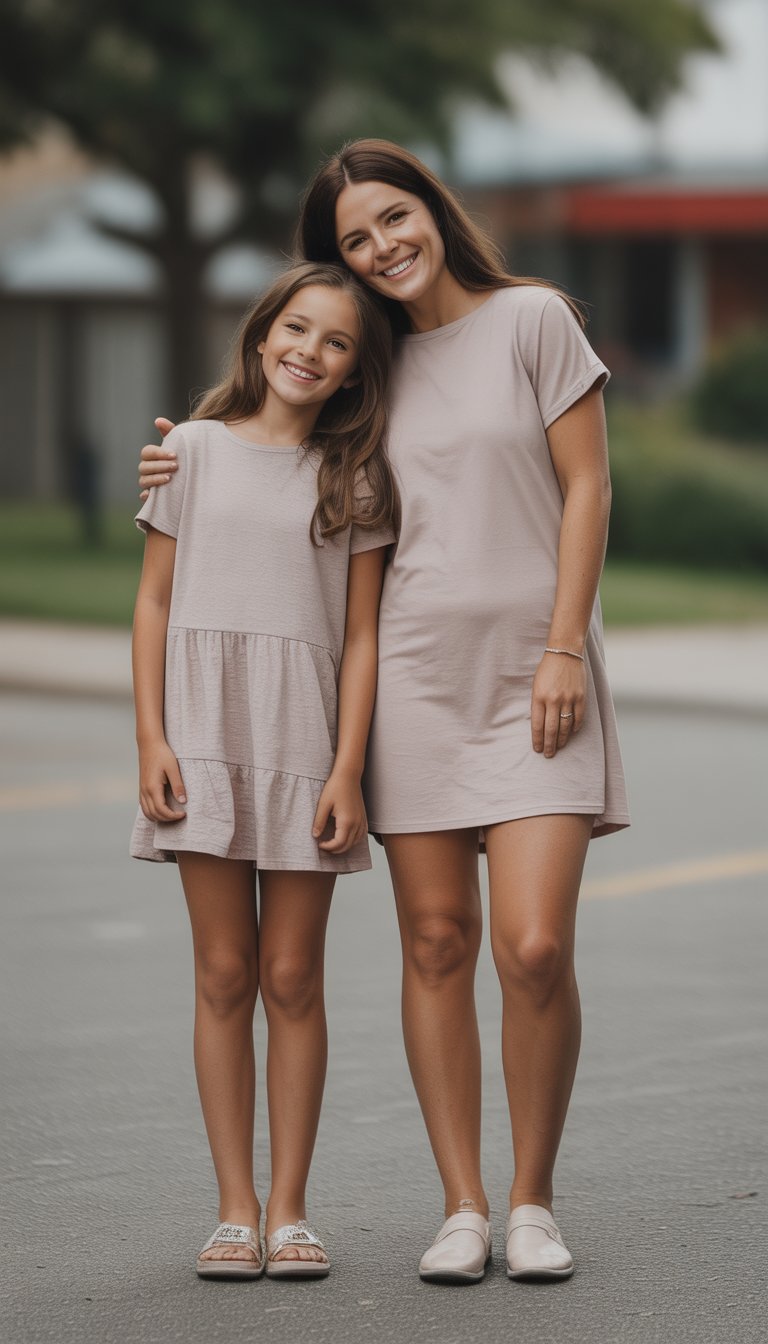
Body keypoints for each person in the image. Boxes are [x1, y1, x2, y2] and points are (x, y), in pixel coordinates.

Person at [138, 139, 630, 1284]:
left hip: (535, 672)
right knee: (437, 940)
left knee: (536, 944)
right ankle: (463, 1206)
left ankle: (532, 1200)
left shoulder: (535, 320)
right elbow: (274, 444)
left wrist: (567, 643)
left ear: (434, 211)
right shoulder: (373, 360)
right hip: (409, 681)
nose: (382, 247)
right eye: (356, 240)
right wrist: (179, 462)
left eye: (394, 219)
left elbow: (589, 486)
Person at [130, 260, 397, 1280]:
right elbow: (154, 603)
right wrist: (151, 737)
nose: (310, 352)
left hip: (302, 741)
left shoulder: (353, 473)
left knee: (292, 976)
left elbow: (362, 636)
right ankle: (233, 1209)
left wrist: (347, 768)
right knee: (224, 972)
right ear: (262, 332)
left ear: (354, 373)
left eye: (336, 343)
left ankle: (291, 1209)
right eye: (298, 328)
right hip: (199, 734)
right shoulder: (187, 453)